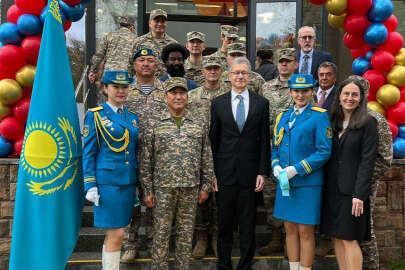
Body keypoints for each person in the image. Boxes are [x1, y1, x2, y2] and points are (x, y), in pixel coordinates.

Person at [141, 77, 214, 270]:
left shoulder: (198, 122)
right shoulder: (155, 123)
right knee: (161, 234)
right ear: (165, 97)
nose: (179, 97)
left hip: (190, 187)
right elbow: (146, 159)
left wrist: (206, 186)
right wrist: (147, 189)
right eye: (174, 93)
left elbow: (206, 156)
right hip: (162, 188)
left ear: (187, 97)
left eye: (182, 93)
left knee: (185, 235)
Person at [210, 57, 270, 270]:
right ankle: (224, 265)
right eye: (236, 72)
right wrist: (212, 173)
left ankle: (245, 265)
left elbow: (265, 140)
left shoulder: (262, 103)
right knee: (224, 225)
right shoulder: (218, 104)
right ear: (229, 76)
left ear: (250, 76)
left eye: (244, 72)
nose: (240, 76)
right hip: (224, 174)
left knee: (247, 225)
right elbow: (213, 141)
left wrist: (263, 171)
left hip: (250, 174)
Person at [271, 74, 332, 270]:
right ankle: (293, 267)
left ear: (311, 91)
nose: (300, 94)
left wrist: (296, 170)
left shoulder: (319, 115)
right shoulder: (283, 116)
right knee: (289, 229)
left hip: (308, 183)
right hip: (285, 182)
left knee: (306, 231)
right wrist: (276, 165)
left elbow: (324, 152)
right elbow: (275, 146)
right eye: (296, 91)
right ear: (290, 92)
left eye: (305, 90)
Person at [83, 70, 139, 270]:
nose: (121, 91)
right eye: (116, 87)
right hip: (108, 184)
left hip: (128, 182)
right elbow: (88, 152)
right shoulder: (95, 115)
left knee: (116, 233)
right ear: (105, 89)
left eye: (124, 87)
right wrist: (90, 184)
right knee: (117, 234)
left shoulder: (132, 117)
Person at [321, 77, 379, 270]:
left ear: (361, 98)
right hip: (330, 189)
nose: (350, 98)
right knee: (336, 236)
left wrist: (359, 195)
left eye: (355, 95)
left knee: (349, 238)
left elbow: (367, 161)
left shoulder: (368, 123)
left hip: (352, 192)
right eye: (346, 94)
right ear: (339, 97)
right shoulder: (332, 120)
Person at [121, 48, 166, 263]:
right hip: (130, 154)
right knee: (132, 200)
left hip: (159, 157)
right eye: (141, 60)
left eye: (150, 60)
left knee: (154, 201)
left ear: (156, 65)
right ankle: (130, 245)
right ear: (134, 64)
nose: (146, 64)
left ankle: (152, 241)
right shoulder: (125, 90)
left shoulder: (166, 90)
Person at [259, 47, 298, 255]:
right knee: (271, 196)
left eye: (288, 61)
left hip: (294, 153)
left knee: (293, 196)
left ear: (295, 64)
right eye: (281, 61)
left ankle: (289, 240)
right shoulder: (266, 88)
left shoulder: (302, 87)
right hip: (272, 152)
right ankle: (275, 237)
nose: (284, 64)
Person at [188, 55, 224, 258]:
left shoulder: (228, 94)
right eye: (208, 68)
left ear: (221, 71)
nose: (212, 71)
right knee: (200, 198)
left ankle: (216, 237)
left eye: (216, 68)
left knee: (220, 198)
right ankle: (201, 237)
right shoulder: (192, 96)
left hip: (222, 153)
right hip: (198, 153)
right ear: (202, 71)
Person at [88, 17, 137, 83]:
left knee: (110, 92)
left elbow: (99, 55)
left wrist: (92, 71)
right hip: (126, 74)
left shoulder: (108, 36)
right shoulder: (136, 39)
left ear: (119, 26)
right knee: (124, 93)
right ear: (131, 27)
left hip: (109, 73)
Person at [133, 9, 177, 78]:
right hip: (144, 83)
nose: (159, 24)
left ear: (166, 24)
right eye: (156, 21)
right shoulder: (139, 42)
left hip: (166, 85)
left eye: (162, 21)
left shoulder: (173, 44)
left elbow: (176, 66)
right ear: (150, 23)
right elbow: (130, 64)